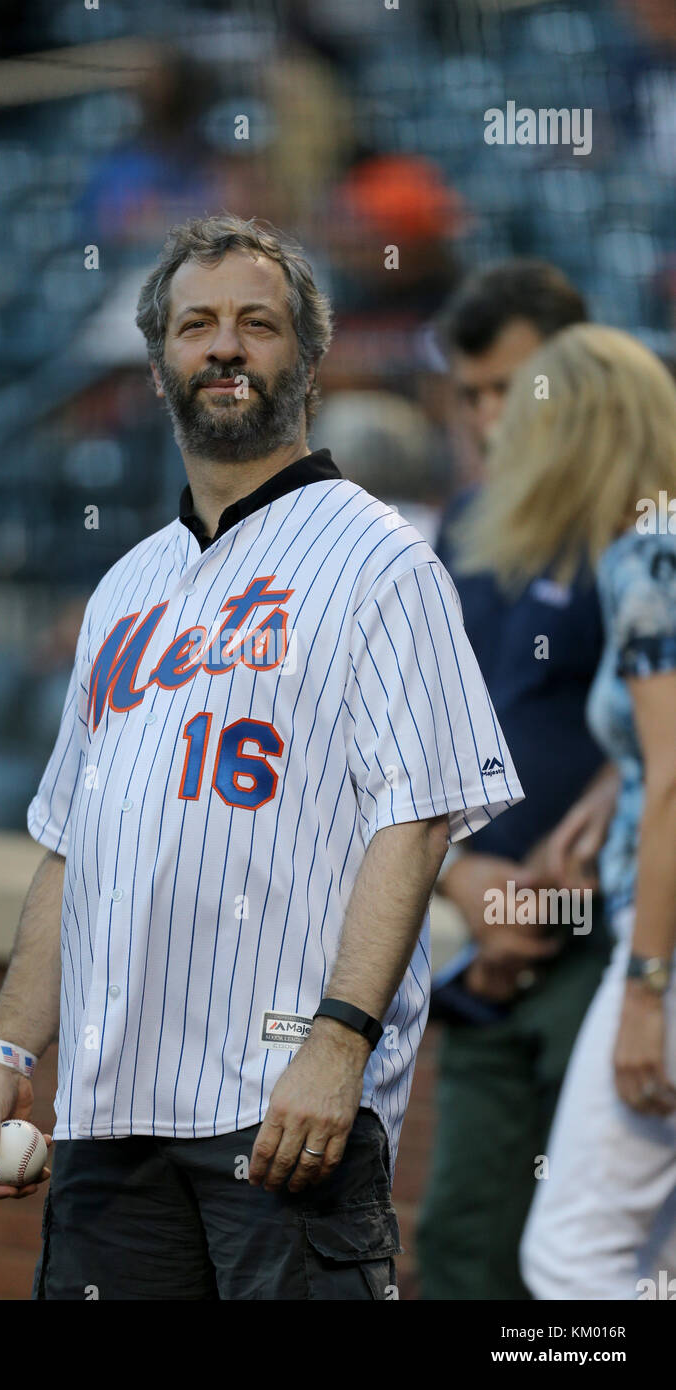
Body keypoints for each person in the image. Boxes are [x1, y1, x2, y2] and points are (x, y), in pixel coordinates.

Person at [0, 213, 523, 1300]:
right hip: (108, 1114)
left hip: (280, 1112)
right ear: (161, 358)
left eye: (255, 324)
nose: (223, 346)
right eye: (196, 324)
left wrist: (338, 1041)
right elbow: (70, 850)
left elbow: (411, 823)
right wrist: (7, 1049)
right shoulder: (126, 586)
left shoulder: (379, 560)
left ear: (303, 357)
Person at [449, 324, 676, 1300]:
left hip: (652, 943)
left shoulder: (641, 557)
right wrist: (605, 793)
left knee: (568, 1259)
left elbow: (674, 782)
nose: (502, 445)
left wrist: (644, 985)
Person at [416, 261, 618, 1300]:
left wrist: (583, 838)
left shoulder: (637, 520)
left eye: (513, 386)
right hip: (486, 951)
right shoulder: (459, 527)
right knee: (461, 1246)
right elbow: (420, 743)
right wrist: (459, 880)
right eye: (472, 392)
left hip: (609, 944)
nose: (491, 414)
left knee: (586, 1264)